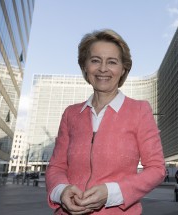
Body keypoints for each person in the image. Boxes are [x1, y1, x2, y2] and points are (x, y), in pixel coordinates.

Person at [45, 29, 166, 215]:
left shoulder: (140, 110)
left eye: (112, 62)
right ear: (85, 66)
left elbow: (156, 169)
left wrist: (112, 193)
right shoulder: (70, 114)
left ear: (123, 68)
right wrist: (62, 191)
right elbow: (56, 166)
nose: (103, 68)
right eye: (95, 60)